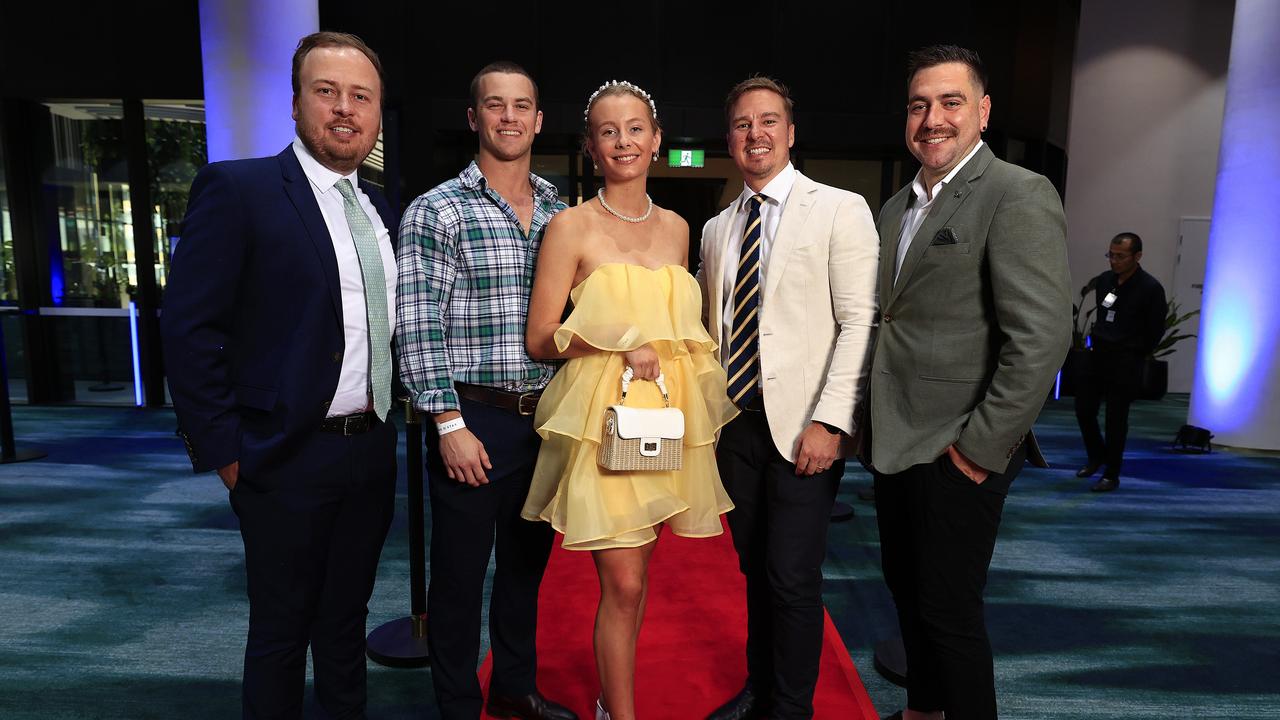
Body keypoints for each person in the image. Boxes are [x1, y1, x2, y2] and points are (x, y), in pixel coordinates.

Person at [162, 31, 398, 718]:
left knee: (345, 626)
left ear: (379, 113)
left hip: (370, 451)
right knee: (279, 634)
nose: (345, 110)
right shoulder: (241, 189)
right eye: (327, 92)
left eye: (362, 96)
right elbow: (189, 327)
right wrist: (226, 454)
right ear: (296, 103)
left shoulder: (383, 208)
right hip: (279, 456)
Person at [521, 79, 738, 720]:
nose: (624, 141)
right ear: (592, 147)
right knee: (624, 580)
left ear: (657, 141)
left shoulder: (677, 229)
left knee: (636, 581)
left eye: (636, 128)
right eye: (609, 131)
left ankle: (612, 694)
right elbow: (540, 336)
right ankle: (621, 714)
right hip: (601, 423)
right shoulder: (570, 225)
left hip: (665, 423)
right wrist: (617, 343)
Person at [868, 45, 1071, 720]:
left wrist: (978, 454)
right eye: (919, 104)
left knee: (949, 612)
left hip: (960, 445)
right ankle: (923, 712)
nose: (932, 118)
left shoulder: (1017, 193)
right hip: (896, 439)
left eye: (950, 102)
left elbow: (1041, 339)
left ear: (982, 111)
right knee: (909, 593)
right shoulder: (897, 205)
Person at [395, 62, 575, 720]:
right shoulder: (437, 211)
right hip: (472, 418)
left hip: (545, 421)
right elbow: (417, 326)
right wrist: (447, 423)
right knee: (459, 582)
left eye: (521, 105)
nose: (508, 117)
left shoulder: (562, 211)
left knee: (525, 573)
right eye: (494, 105)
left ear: (538, 120)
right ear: (474, 118)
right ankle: (457, 705)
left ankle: (515, 689)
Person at [698, 76, 880, 720]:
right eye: (744, 124)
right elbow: (713, 331)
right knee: (754, 573)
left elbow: (861, 322)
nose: (756, 134)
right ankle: (760, 688)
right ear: (730, 139)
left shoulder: (839, 208)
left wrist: (832, 421)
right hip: (737, 429)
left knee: (792, 578)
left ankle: (790, 709)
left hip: (806, 430)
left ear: (791, 132)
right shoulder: (718, 228)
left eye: (769, 121)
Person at [1074, 232, 1167, 492]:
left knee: (1116, 419)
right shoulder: (1105, 281)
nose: (1114, 261)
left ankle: (1111, 474)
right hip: (1099, 355)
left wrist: (1136, 352)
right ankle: (1096, 457)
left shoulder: (1150, 288)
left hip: (1126, 360)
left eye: (1120, 256)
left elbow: (1155, 329)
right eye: (1111, 255)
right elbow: (1105, 311)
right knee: (1084, 410)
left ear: (1137, 256)